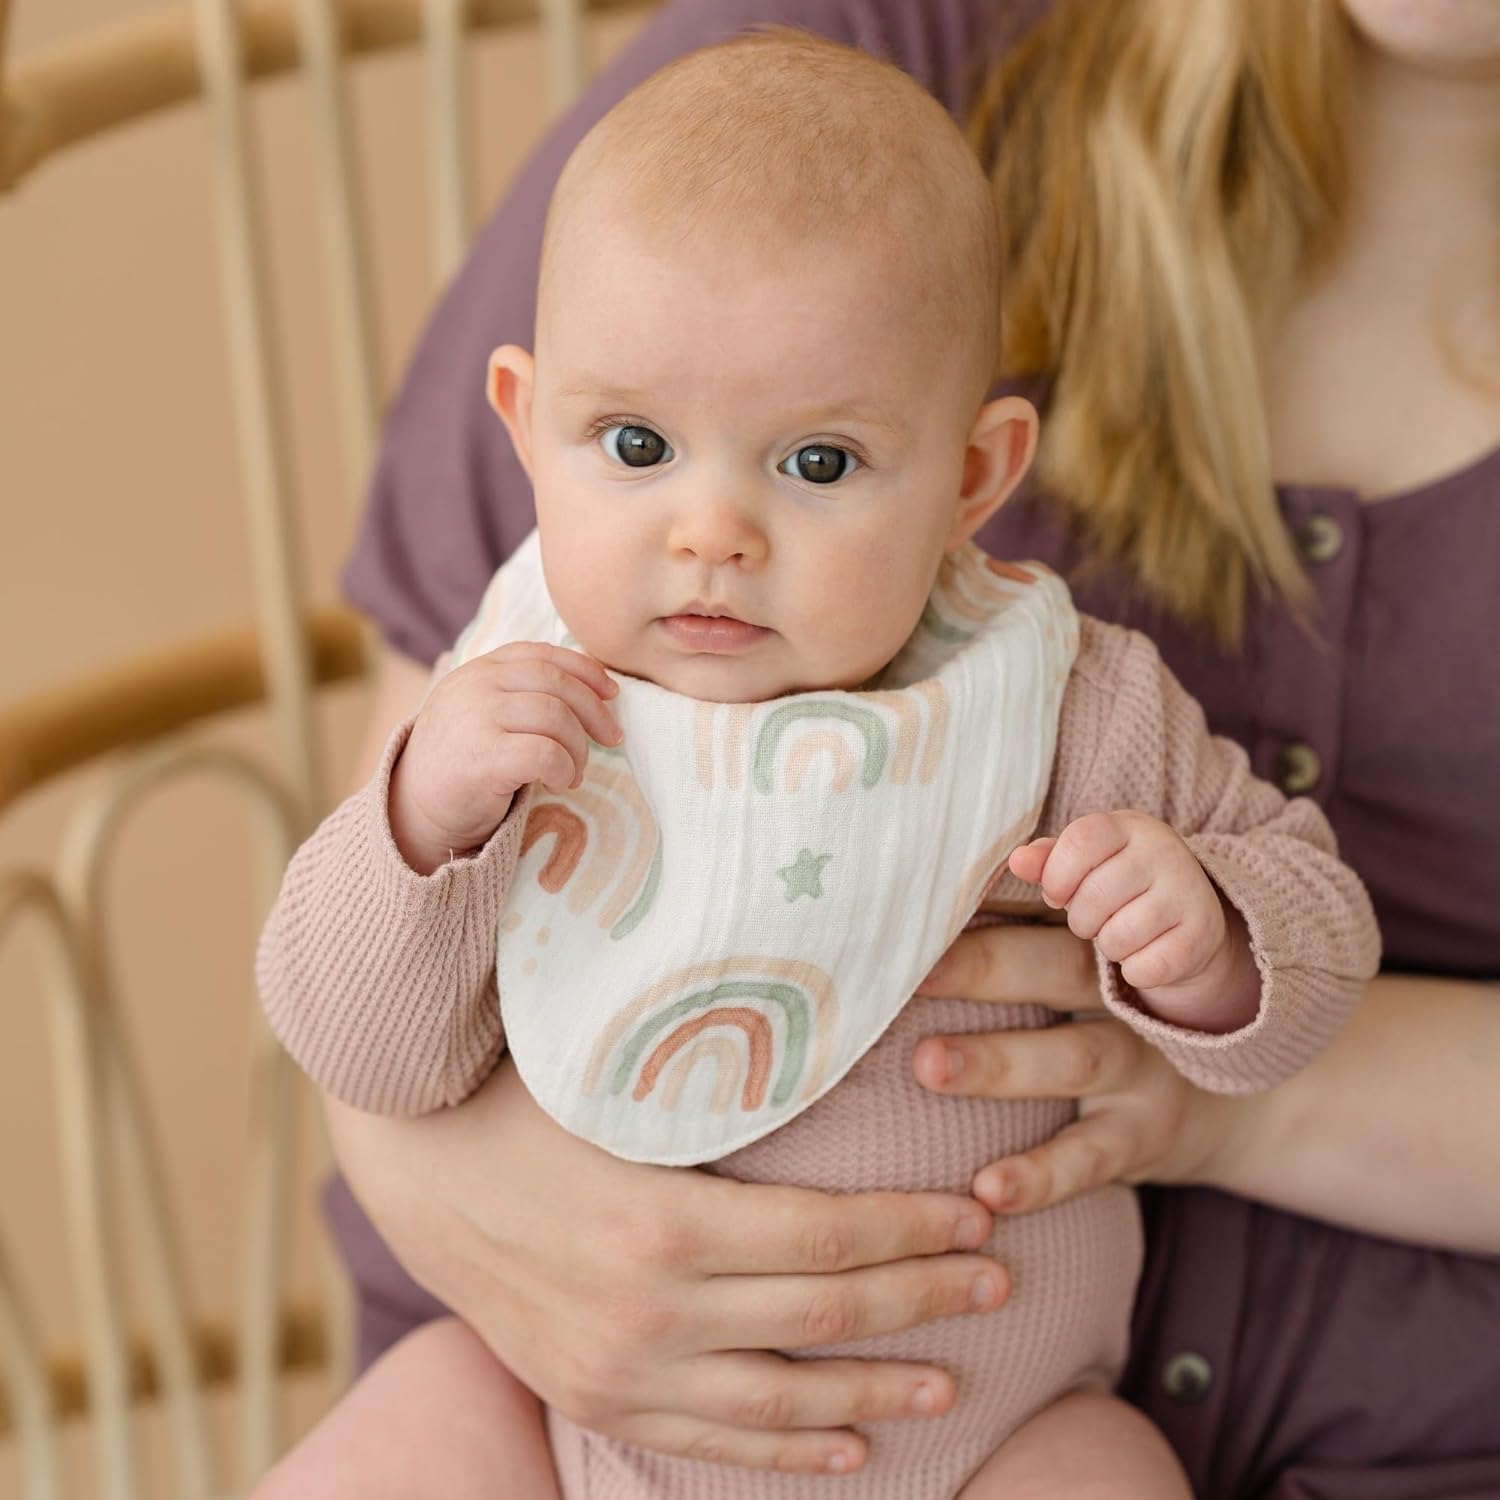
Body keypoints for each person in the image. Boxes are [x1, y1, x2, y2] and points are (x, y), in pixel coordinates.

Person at [293, 1, 1500, 1496]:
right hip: (558, 1422)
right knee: (413, 1437)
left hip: (993, 1428)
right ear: (525, 423)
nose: (711, 533)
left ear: (978, 478)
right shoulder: (522, 701)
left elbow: (1313, 937)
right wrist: (415, 825)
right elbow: (344, 1036)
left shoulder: (1057, 702)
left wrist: (1217, 942)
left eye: (818, 463)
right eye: (634, 445)